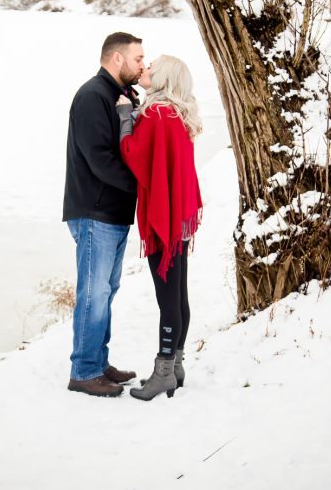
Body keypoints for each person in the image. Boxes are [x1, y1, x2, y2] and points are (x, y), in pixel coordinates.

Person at [63, 32, 146, 397]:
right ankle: (83, 371)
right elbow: (101, 159)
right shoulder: (92, 97)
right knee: (93, 293)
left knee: (106, 291)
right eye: (138, 58)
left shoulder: (119, 95)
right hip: (94, 211)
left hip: (113, 212)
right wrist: (143, 185)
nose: (143, 64)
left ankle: (98, 362)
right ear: (116, 59)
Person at [115, 55, 202, 401]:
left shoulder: (156, 114)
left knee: (167, 296)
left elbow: (133, 155)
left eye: (151, 66)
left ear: (163, 77)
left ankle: (164, 371)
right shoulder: (178, 113)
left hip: (164, 216)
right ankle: (176, 365)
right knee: (178, 292)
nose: (145, 69)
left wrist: (124, 117)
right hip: (180, 213)